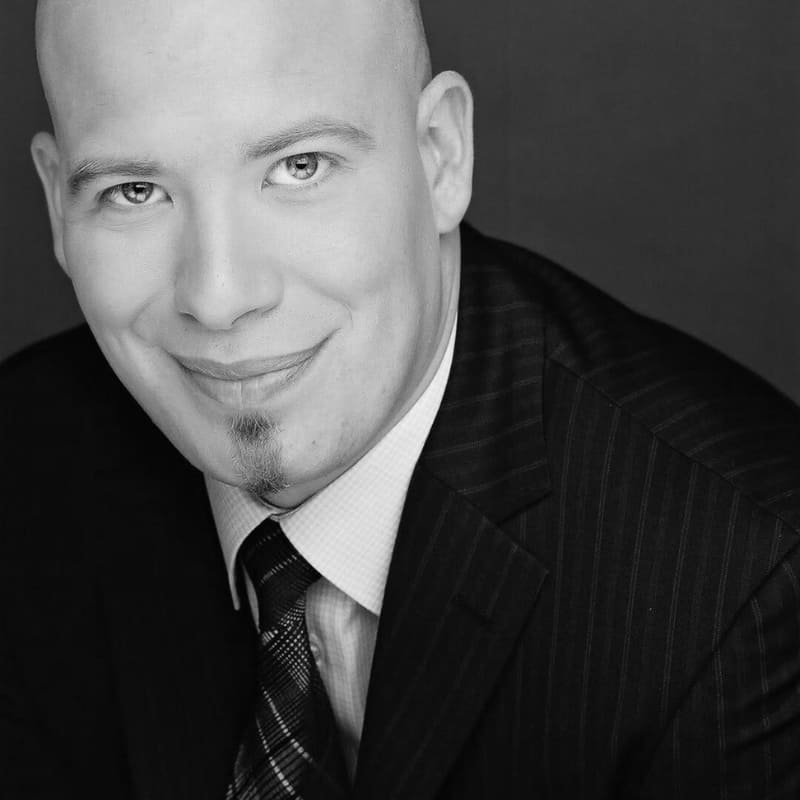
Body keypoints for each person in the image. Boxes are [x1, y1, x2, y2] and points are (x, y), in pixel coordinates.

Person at [1, 0, 799, 797]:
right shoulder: (24, 468)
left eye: (299, 166)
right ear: (56, 206)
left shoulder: (740, 583)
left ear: (440, 155)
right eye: (134, 191)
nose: (218, 297)